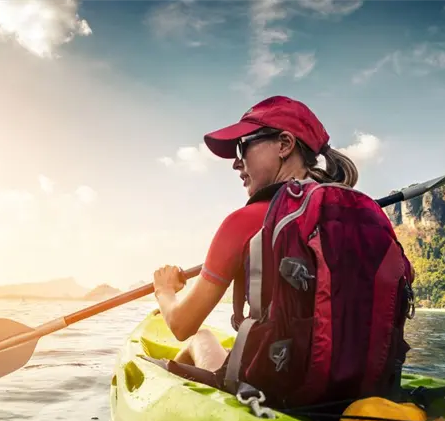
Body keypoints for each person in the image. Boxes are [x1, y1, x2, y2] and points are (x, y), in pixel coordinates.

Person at [152, 95, 359, 374]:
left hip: (274, 387)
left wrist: (164, 291)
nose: (237, 163)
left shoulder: (244, 222)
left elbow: (181, 325)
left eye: (243, 146)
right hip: (349, 381)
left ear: (285, 144)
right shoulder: (356, 217)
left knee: (200, 337)